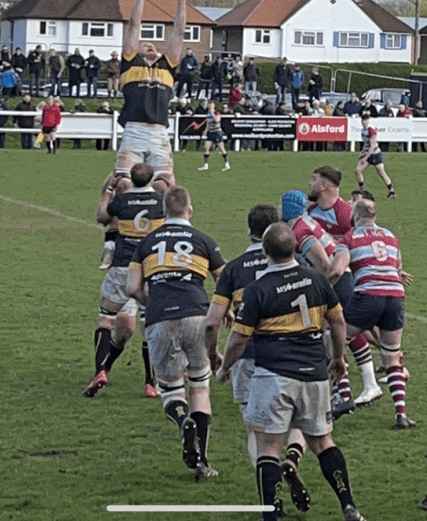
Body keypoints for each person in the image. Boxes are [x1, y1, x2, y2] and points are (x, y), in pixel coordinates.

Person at [215, 222, 365, 521]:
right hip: (314, 374)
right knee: (323, 442)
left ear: (266, 252)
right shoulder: (317, 280)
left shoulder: (258, 289)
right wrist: (338, 357)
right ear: (296, 248)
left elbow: (239, 338)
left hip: (274, 375)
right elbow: (337, 322)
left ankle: (270, 515)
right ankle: (349, 506)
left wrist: (224, 367)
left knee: (269, 446)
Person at [205, 204, 311, 513]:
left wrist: (216, 358)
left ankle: (271, 491)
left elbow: (212, 321)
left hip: (248, 354)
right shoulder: (296, 261)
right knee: (296, 417)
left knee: (256, 429)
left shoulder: (233, 269)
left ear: (248, 229)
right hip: (293, 351)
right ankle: (292, 457)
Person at [126, 186, 226, 481]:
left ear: (164, 213)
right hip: (198, 314)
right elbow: (225, 282)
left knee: (170, 390)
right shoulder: (204, 240)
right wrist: (223, 310)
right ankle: (203, 463)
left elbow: (132, 288)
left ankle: (183, 422)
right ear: (189, 210)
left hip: (160, 319)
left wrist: (152, 302)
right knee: (200, 388)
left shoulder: (146, 243)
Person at [280, 189, 381, 417]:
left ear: (288, 208)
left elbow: (325, 265)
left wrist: (319, 292)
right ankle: (352, 389)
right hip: (343, 278)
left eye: (281, 204)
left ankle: (346, 391)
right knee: (344, 334)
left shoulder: (300, 230)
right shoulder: (305, 223)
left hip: (337, 281)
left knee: (331, 335)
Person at [330, 196, 415, 430]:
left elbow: (338, 270)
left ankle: (343, 396)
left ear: (355, 216)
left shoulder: (349, 237)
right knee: (391, 355)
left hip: (368, 295)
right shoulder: (391, 236)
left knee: (335, 340)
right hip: (396, 297)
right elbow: (397, 269)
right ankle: (401, 414)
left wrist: (324, 287)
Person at [84, 163, 166, 400]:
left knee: (105, 318)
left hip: (123, 266)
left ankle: (100, 371)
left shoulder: (123, 201)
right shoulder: (161, 202)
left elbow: (102, 216)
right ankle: (151, 384)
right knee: (147, 327)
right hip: (151, 268)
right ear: (152, 179)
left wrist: (109, 191)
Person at [307, 165, 382, 406]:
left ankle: (371, 379)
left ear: (324, 185)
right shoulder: (312, 211)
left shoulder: (344, 213)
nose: (310, 182)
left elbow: (362, 245)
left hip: (345, 279)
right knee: (336, 330)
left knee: (348, 328)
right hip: (323, 280)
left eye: (314, 179)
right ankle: (346, 387)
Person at [111, 0, 192, 188]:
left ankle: (166, 221)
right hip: (134, 129)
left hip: (159, 132)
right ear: (136, 50)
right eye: (145, 44)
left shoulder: (167, 67)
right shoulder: (130, 63)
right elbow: (134, 24)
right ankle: (119, 220)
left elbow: (179, 31)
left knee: (165, 186)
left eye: (154, 45)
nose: (150, 46)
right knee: (123, 184)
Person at [355, 113, 396, 198]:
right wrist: (362, 153)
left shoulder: (371, 131)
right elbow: (366, 144)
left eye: (365, 120)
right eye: (363, 120)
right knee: (358, 170)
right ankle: (362, 190)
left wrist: (365, 157)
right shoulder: (363, 130)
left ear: (368, 121)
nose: (364, 122)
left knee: (382, 173)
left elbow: (373, 146)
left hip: (375, 154)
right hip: (368, 154)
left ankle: (391, 191)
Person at [197, 101, 230, 172]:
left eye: (211, 105)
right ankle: (206, 165)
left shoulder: (217, 113)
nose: (210, 106)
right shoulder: (208, 114)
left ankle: (227, 164)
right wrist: (206, 130)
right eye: (209, 105)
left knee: (221, 148)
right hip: (211, 133)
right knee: (206, 148)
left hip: (217, 133)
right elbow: (208, 123)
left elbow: (217, 120)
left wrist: (212, 112)